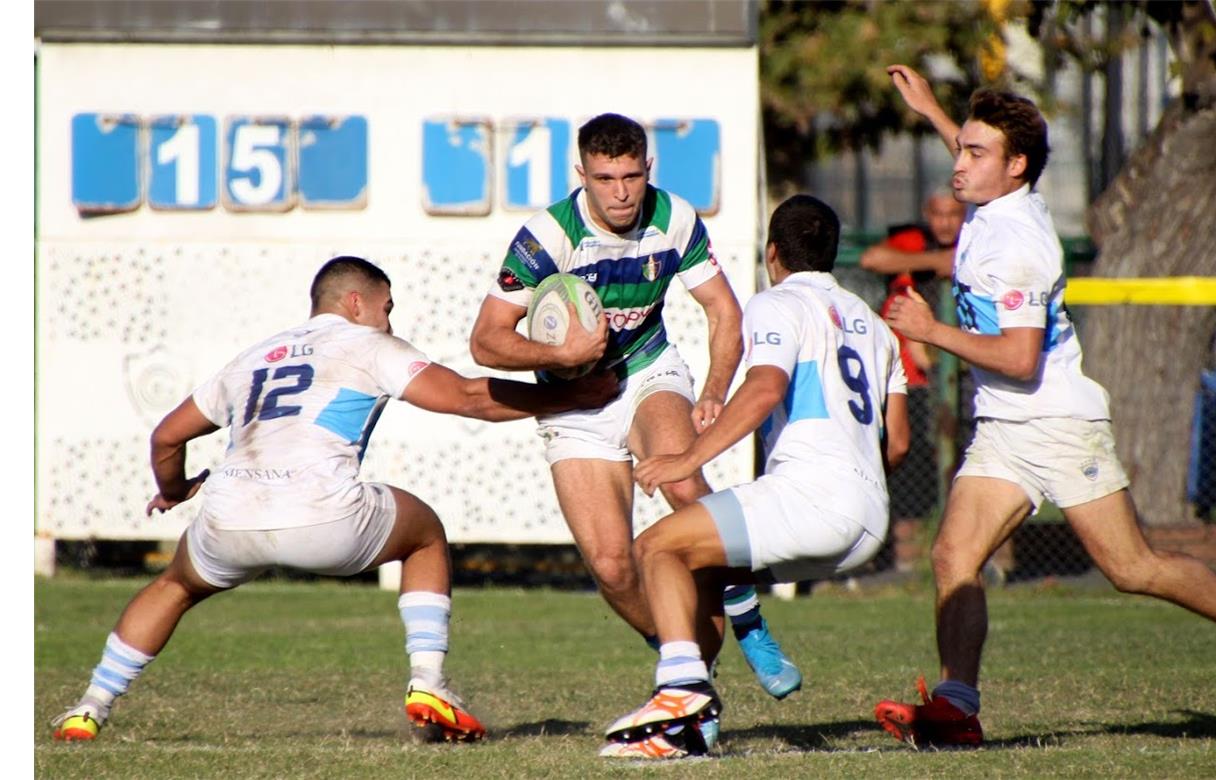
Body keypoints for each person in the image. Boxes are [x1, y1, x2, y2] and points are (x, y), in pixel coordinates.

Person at [872, 64, 1216, 747]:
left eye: (973, 152)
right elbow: (979, 161)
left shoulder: (1019, 243)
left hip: (1056, 422)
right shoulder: (997, 197)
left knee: (1132, 568)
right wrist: (935, 111)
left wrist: (930, 332)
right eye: (959, 148)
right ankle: (958, 709)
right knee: (952, 558)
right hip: (1005, 427)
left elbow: (1021, 358)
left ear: (1015, 166)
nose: (958, 165)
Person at [50, 256, 618, 743]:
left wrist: (175, 491)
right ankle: (428, 681)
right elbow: (469, 398)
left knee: (173, 585)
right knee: (425, 535)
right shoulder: (370, 344)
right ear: (355, 302)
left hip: (229, 517)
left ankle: (90, 707)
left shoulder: (254, 356)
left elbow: (167, 436)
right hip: (323, 515)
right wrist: (573, 395)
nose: (389, 318)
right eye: (386, 306)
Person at [468, 113, 802, 707]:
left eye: (630, 176)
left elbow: (724, 311)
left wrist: (713, 389)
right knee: (612, 565)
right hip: (575, 401)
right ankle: (683, 662)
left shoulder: (672, 217)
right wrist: (557, 352)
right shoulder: (548, 237)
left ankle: (748, 619)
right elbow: (486, 340)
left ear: (648, 168)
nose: (620, 192)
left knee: (684, 483)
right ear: (582, 175)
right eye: (604, 178)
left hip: (649, 372)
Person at [598, 194, 910, 758]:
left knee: (655, 550)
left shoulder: (776, 303)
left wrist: (685, 460)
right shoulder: (875, 326)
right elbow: (900, 442)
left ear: (773, 253)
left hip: (814, 498)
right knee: (697, 567)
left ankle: (680, 692)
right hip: (870, 519)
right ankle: (696, 725)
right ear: (834, 255)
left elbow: (764, 388)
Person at [861, 190, 967, 569]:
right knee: (906, 463)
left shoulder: (981, 237)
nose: (945, 223)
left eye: (953, 215)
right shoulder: (913, 241)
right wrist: (939, 261)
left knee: (962, 464)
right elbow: (873, 258)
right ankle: (903, 556)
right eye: (937, 214)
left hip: (962, 378)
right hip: (912, 381)